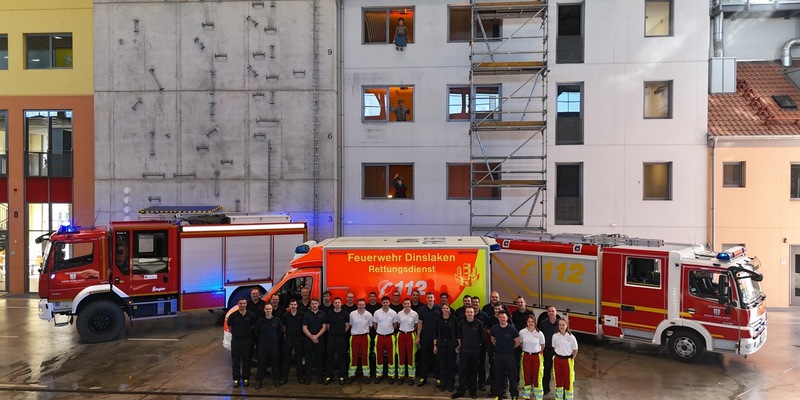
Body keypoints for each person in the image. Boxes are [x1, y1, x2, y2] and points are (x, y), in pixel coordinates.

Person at [451, 306, 484, 399]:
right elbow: (459, 335)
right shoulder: (461, 323)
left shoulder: (479, 324)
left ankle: (473, 391)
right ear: (465, 313)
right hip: (464, 351)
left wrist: (478, 345)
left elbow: (482, 336)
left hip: (475, 352)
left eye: (471, 312)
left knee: (473, 372)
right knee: (462, 372)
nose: (469, 314)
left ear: (474, 313)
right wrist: (460, 346)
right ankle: (461, 391)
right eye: (468, 312)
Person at [490, 310, 520, 400]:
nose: (502, 319)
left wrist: (509, 348)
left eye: (504, 317)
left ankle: (514, 395)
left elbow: (517, 342)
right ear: (498, 318)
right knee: (498, 375)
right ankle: (498, 394)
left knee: (512, 376)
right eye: (500, 317)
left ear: (507, 318)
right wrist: (499, 347)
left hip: (509, 356)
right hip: (498, 356)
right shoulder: (495, 328)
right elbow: (492, 339)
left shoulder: (512, 329)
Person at [228, 297, 257, 388]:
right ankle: (236, 379)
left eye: (244, 303)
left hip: (247, 341)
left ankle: (246, 378)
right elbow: (230, 327)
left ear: (246, 304)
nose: (242, 305)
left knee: (247, 361)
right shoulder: (232, 316)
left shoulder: (251, 315)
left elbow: (253, 327)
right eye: (241, 303)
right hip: (236, 341)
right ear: (238, 304)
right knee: (235, 361)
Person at [254, 304, 283, 389]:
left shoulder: (277, 320)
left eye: (270, 309)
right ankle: (259, 380)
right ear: (264, 310)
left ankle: (276, 380)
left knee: (275, 363)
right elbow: (257, 332)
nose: (268, 310)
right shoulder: (260, 321)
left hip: (273, 346)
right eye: (267, 309)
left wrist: (274, 339)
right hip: (262, 346)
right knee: (261, 364)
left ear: (272, 310)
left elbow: (280, 332)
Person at [416, 292, 442, 387]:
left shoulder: (439, 309)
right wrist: (418, 336)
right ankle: (423, 377)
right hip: (425, 336)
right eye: (428, 298)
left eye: (431, 297)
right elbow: (420, 323)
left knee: (437, 358)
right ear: (426, 299)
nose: (430, 299)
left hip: (436, 336)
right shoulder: (422, 309)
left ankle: (438, 378)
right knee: (424, 357)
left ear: (434, 298)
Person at [434, 304, 459, 392]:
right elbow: (436, 333)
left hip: (451, 344)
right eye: (443, 308)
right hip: (441, 344)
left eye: (447, 308)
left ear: (449, 309)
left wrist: (459, 344)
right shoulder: (438, 319)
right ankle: (443, 384)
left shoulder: (454, 319)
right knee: (442, 365)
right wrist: (435, 345)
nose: (445, 309)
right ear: (442, 309)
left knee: (450, 365)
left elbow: (457, 332)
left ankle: (450, 384)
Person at [519, 314, 546, 400]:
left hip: (536, 357)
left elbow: (543, 345)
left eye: (532, 321)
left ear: (535, 322)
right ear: (526, 323)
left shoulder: (539, 333)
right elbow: (521, 344)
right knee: (526, 376)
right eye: (529, 321)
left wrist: (537, 352)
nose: (530, 323)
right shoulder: (522, 332)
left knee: (538, 376)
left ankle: (538, 396)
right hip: (526, 356)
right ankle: (526, 396)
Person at [373, 296, 398, 384]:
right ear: (381, 303)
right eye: (384, 302)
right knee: (378, 356)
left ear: (389, 303)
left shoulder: (394, 313)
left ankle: (391, 376)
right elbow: (375, 324)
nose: (385, 304)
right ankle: (379, 375)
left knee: (391, 357)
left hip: (390, 337)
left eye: (387, 302)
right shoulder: (377, 312)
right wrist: (379, 331)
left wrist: (389, 331)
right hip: (379, 337)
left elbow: (395, 325)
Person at [325, 297, 350, 385]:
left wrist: (341, 333)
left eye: (338, 302)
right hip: (331, 337)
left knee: (342, 357)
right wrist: (333, 332)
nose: (337, 304)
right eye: (335, 302)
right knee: (330, 357)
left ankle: (342, 376)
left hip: (341, 337)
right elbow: (327, 326)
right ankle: (329, 376)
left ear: (341, 303)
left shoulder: (345, 313)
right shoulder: (330, 313)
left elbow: (347, 326)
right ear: (333, 304)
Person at [552, 319, 578, 400]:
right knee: (558, 380)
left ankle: (568, 398)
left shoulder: (571, 337)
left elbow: (575, 350)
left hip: (567, 361)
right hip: (557, 360)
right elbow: (554, 347)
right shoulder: (555, 336)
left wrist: (571, 358)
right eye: (560, 325)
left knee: (568, 381)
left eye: (563, 325)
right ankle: (558, 398)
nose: (561, 326)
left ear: (567, 326)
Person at [302, 298, 327, 384]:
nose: (314, 305)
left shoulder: (323, 314)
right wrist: (312, 337)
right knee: (308, 359)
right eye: (312, 304)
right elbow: (304, 328)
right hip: (309, 340)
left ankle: (319, 377)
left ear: (318, 304)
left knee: (319, 359)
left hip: (319, 339)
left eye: (315, 303)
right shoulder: (306, 315)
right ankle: (307, 377)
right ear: (310, 305)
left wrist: (317, 336)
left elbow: (324, 327)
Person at [538, 306, 561, 396]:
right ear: (547, 313)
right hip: (547, 351)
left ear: (556, 312)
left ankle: (559, 391)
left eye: (553, 311)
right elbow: (540, 336)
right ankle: (545, 388)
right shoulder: (543, 323)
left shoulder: (560, 323)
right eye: (549, 311)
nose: (551, 313)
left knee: (558, 372)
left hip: (557, 352)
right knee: (546, 371)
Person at [348, 299, 373, 384]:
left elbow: (370, 326)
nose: (361, 306)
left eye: (362, 305)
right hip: (354, 337)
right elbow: (350, 325)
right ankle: (351, 375)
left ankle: (366, 375)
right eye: (359, 304)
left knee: (365, 356)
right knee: (353, 356)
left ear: (365, 305)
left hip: (365, 337)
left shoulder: (369, 314)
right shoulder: (352, 314)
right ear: (357, 305)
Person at [281, 299, 306, 384]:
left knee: (299, 358)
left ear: (297, 305)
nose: (293, 306)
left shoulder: (301, 314)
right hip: (289, 338)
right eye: (291, 304)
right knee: (286, 358)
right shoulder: (285, 315)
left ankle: (300, 376)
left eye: (295, 304)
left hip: (298, 338)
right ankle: (284, 377)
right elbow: (283, 327)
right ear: (289, 306)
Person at [396, 298, 419, 385]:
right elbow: (398, 324)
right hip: (401, 335)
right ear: (403, 304)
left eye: (408, 303)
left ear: (410, 304)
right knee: (401, 356)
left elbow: (416, 325)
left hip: (410, 335)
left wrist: (411, 331)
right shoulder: (399, 313)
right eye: (405, 303)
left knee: (411, 357)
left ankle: (411, 377)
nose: (407, 305)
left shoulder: (415, 314)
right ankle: (401, 377)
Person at [471, 296, 490, 391]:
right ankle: (471, 383)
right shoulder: (468, 314)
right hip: (470, 345)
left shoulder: (484, 315)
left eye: (477, 302)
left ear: (479, 303)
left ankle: (481, 383)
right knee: (471, 365)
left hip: (481, 344)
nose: (475, 304)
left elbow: (487, 329)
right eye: (473, 302)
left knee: (482, 365)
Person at [512, 296, 534, 366]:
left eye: (521, 302)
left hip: (528, 338)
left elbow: (533, 326)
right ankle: (517, 376)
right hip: (518, 338)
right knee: (517, 359)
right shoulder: (515, 314)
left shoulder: (530, 313)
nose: (520, 304)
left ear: (525, 302)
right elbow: (513, 325)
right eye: (518, 302)